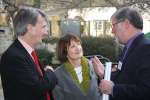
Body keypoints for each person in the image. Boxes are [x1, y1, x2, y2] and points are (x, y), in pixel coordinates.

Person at [92, 7, 150, 100]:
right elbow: (125, 78)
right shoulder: (128, 48)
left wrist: (113, 89)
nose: (112, 31)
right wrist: (104, 74)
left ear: (126, 24)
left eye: (114, 25)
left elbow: (146, 91)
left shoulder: (146, 49)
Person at [0, 7, 57, 100]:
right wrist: (50, 72)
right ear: (30, 28)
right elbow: (39, 87)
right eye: (43, 27)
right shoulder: (13, 57)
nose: (47, 31)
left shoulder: (27, 52)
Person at [52, 34, 101, 100]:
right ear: (64, 52)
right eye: (73, 46)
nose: (78, 48)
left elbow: (102, 91)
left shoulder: (93, 66)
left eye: (78, 44)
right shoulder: (58, 74)